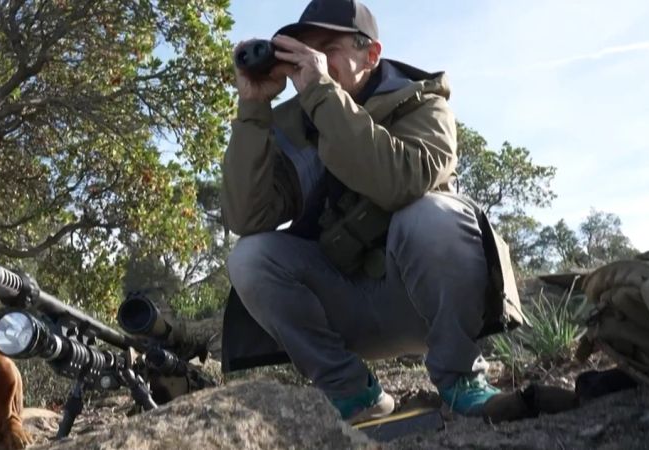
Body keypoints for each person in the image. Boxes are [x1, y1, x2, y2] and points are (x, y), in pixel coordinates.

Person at [218, 0, 525, 424]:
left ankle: (460, 378)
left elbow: (399, 184)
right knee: (249, 257)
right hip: (346, 304)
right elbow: (245, 218)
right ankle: (352, 393)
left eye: (329, 47)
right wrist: (253, 110)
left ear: (371, 54)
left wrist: (323, 94)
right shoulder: (293, 124)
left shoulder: (425, 105)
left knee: (433, 216)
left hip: (420, 300)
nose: (316, 59)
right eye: (307, 49)